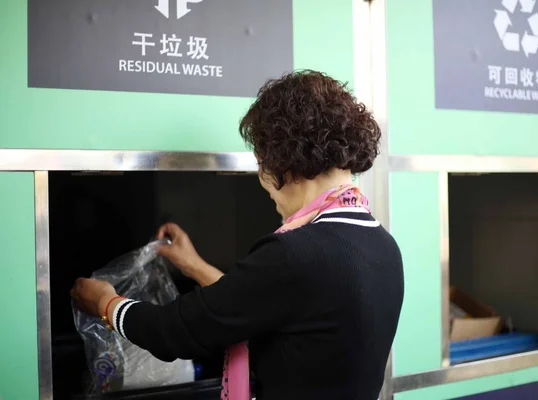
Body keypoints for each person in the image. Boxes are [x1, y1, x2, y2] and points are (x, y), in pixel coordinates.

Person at [71, 70, 405, 400]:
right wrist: (194, 265)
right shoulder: (383, 246)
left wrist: (104, 302)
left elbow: (172, 332)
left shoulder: (296, 253)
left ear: (282, 161)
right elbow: (258, 302)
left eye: (261, 162)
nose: (263, 181)